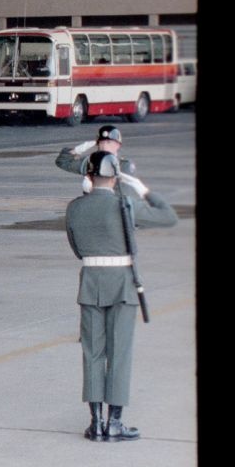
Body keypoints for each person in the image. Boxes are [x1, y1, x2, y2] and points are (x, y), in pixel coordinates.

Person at [65, 150, 178, 441]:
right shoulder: (125, 203)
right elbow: (168, 217)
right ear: (115, 179)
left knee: (92, 353)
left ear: (88, 177)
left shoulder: (74, 208)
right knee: (119, 353)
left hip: (90, 283)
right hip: (122, 286)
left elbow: (78, 249)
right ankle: (115, 423)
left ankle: (96, 423)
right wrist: (144, 190)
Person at [56, 125, 140, 195]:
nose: (104, 146)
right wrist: (78, 149)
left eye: (108, 143)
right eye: (101, 143)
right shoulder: (91, 162)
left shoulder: (124, 166)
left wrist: (95, 189)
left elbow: (124, 195)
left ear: (118, 145)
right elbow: (63, 162)